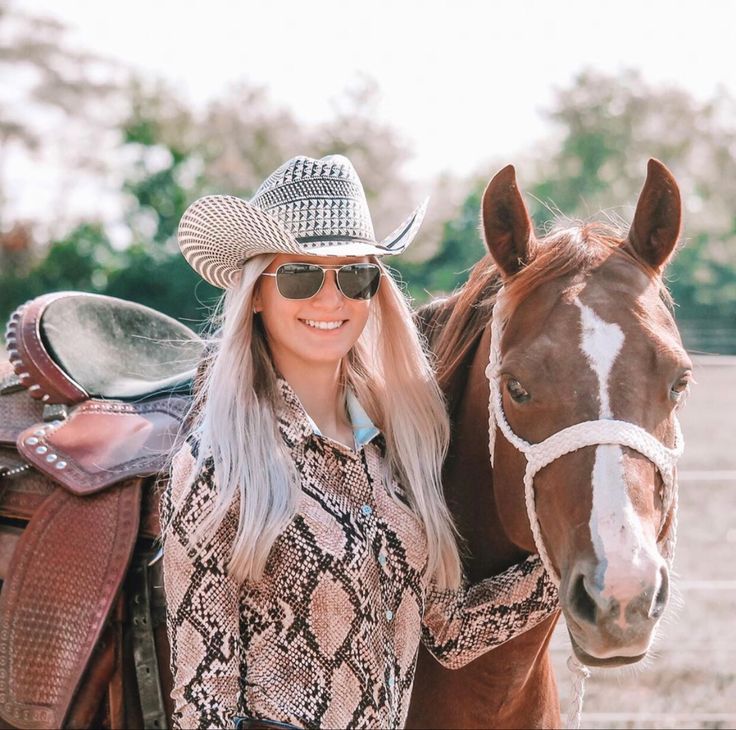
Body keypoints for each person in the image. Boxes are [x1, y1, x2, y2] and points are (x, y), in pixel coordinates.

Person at [161, 154, 558, 730]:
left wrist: (574, 560)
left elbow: (446, 631)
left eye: (355, 274)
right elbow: (206, 700)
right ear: (254, 294)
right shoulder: (216, 464)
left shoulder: (398, 451)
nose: (331, 300)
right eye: (300, 276)